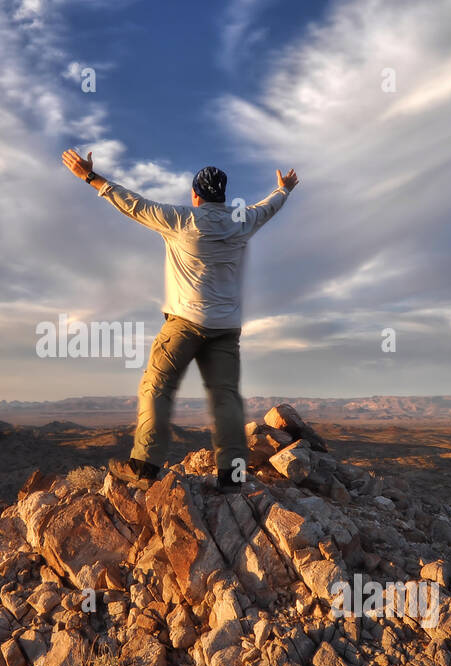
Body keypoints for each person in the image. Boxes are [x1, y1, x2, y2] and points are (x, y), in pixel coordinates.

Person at [61, 148, 298, 493]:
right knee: (226, 398)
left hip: (184, 322)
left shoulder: (179, 219)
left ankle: (144, 465)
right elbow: (269, 208)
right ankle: (231, 475)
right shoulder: (242, 221)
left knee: (156, 386)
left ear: (195, 194)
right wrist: (285, 189)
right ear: (224, 196)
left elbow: (132, 203)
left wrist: (89, 176)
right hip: (226, 328)